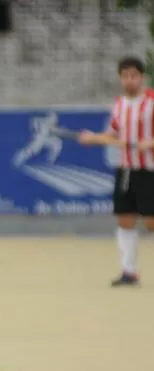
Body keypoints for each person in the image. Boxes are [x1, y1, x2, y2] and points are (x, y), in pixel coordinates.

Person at [79, 55, 154, 287]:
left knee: (151, 222)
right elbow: (113, 134)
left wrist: (149, 143)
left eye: (134, 76)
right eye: (125, 76)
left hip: (149, 169)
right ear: (120, 78)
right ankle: (129, 272)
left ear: (141, 77)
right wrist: (93, 138)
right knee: (125, 219)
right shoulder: (119, 104)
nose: (129, 80)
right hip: (126, 170)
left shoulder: (151, 101)